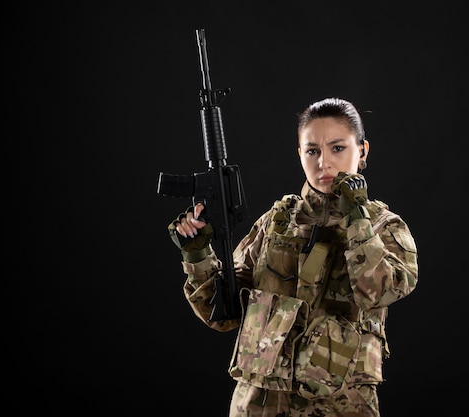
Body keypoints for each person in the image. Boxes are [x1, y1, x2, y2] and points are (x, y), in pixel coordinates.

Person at [168, 97, 419, 416]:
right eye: (312, 150)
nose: (324, 163)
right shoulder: (276, 224)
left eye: (338, 148)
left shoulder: (384, 227)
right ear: (300, 154)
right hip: (256, 406)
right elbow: (223, 316)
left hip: (338, 407)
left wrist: (357, 217)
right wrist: (198, 254)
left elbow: (379, 291)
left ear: (363, 150)